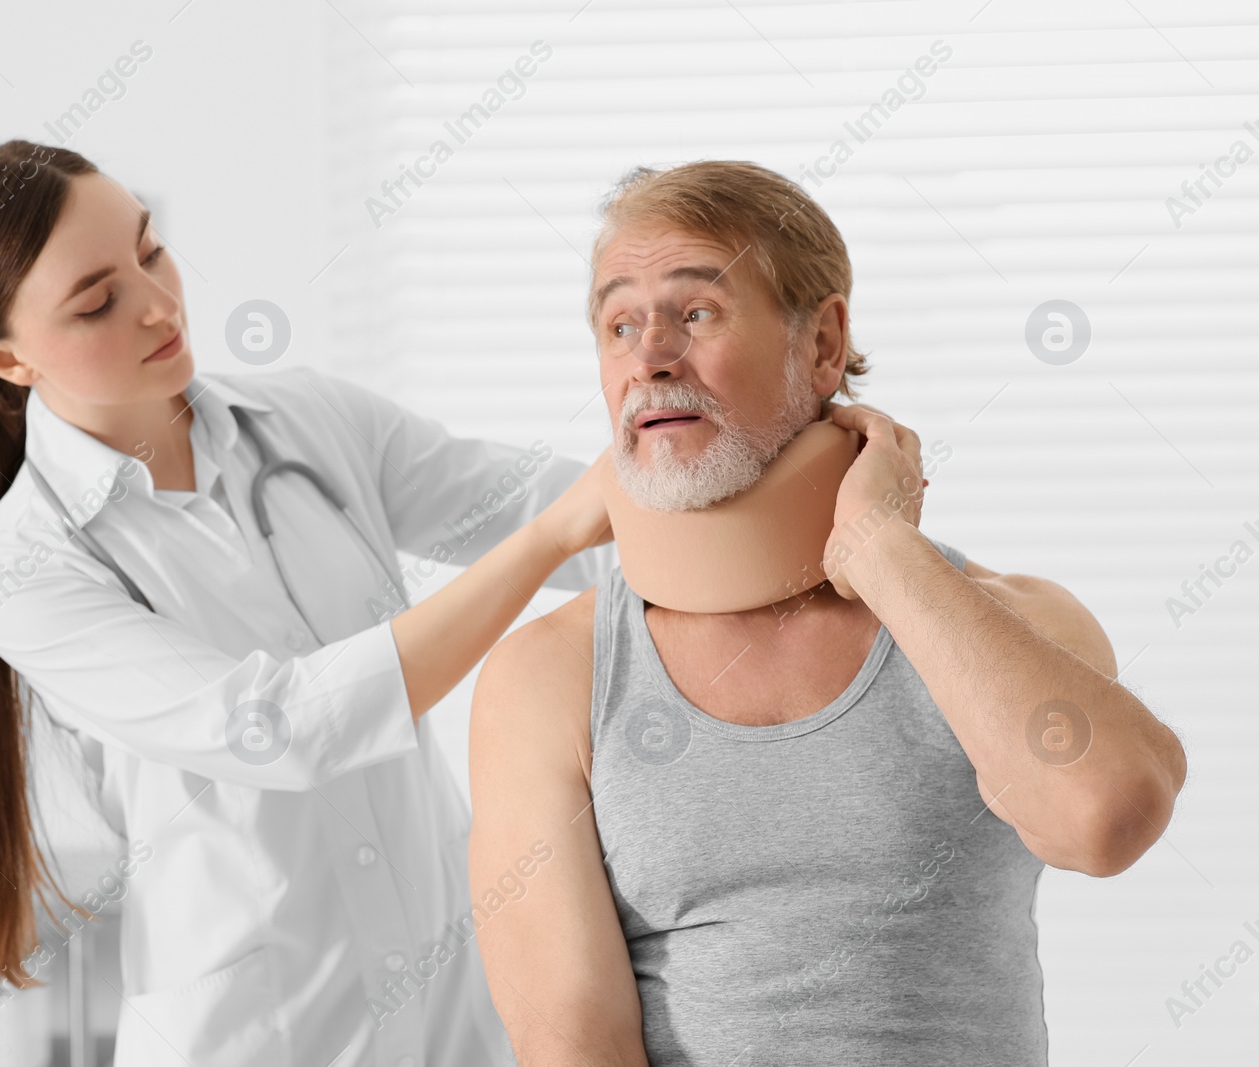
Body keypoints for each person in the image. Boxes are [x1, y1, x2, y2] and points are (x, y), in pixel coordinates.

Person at [0, 139, 616, 1066]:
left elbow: (550, 507)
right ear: (5, 357)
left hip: (454, 1016)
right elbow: (277, 727)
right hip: (261, 1034)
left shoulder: (311, 421)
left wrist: (750, 483)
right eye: (97, 302)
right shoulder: (24, 570)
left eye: (150, 251)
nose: (158, 302)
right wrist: (548, 542)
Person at [467, 160, 1188, 1066]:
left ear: (822, 344)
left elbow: (1108, 816)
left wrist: (882, 553)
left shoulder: (1010, 622)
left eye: (695, 314)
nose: (649, 357)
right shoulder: (551, 676)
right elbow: (574, 1045)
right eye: (619, 324)